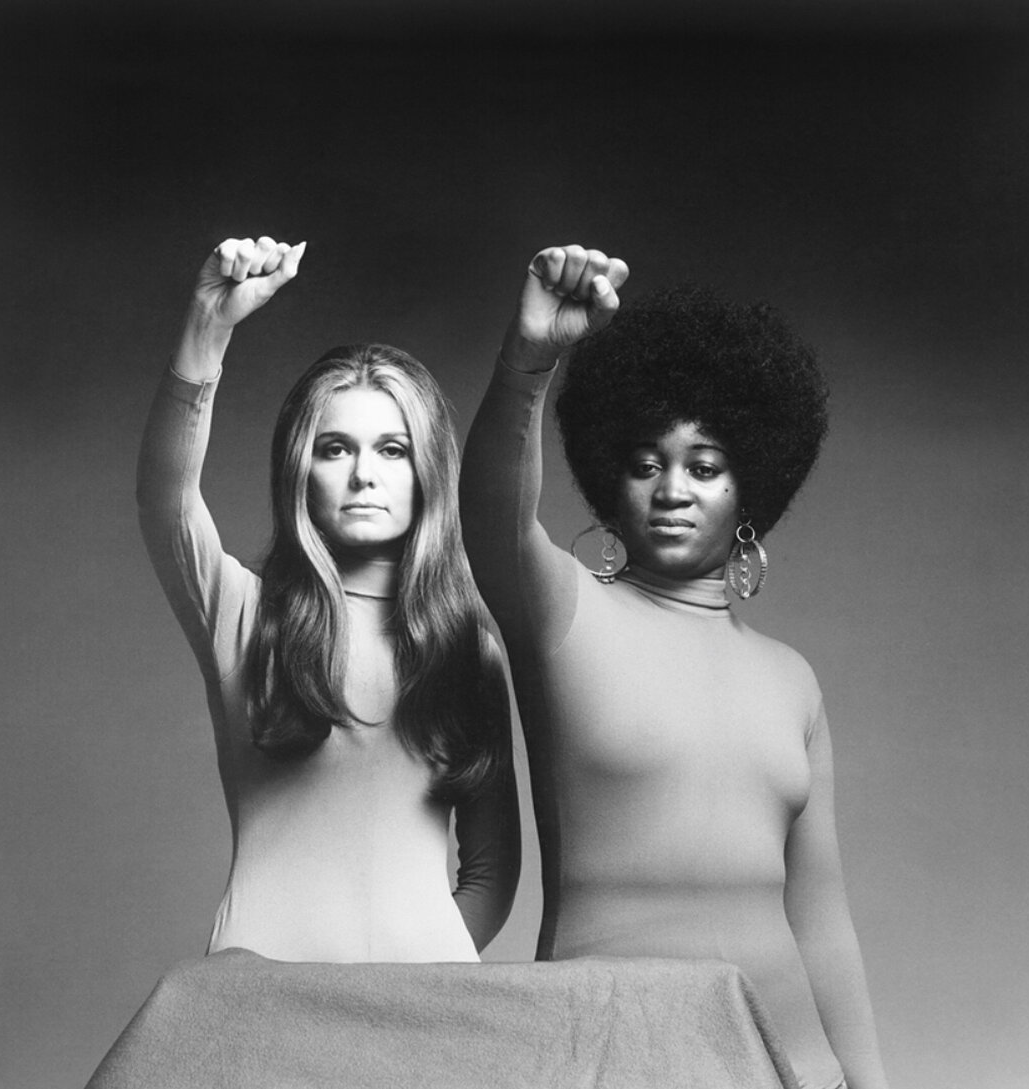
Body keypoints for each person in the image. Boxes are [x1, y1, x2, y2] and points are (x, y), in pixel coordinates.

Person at [460, 244, 889, 1089]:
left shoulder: (792, 680)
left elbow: (821, 915)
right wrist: (527, 365)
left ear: (750, 490)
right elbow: (489, 513)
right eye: (646, 462)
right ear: (609, 481)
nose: (673, 488)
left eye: (705, 465)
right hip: (605, 1056)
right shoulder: (565, 612)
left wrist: (868, 1084)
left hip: (784, 1065)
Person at [137, 235, 519, 963]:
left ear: (427, 472)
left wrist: (416, 979)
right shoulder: (242, 614)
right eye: (336, 448)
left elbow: (493, 874)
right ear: (298, 467)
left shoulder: (470, 649)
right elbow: (166, 502)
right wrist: (205, 333)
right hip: (257, 1014)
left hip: (421, 1024)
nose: (364, 475)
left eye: (393, 449)